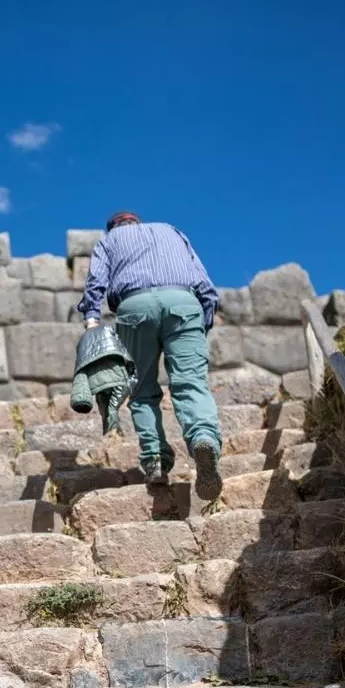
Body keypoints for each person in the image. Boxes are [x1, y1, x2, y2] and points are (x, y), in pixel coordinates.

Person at [76, 211, 223, 499]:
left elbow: (96, 281)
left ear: (113, 227)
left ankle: (155, 460)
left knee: (142, 390)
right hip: (183, 302)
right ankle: (203, 438)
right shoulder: (171, 230)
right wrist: (202, 323)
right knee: (191, 382)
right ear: (138, 222)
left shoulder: (109, 240)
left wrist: (92, 318)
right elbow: (203, 282)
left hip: (135, 307)